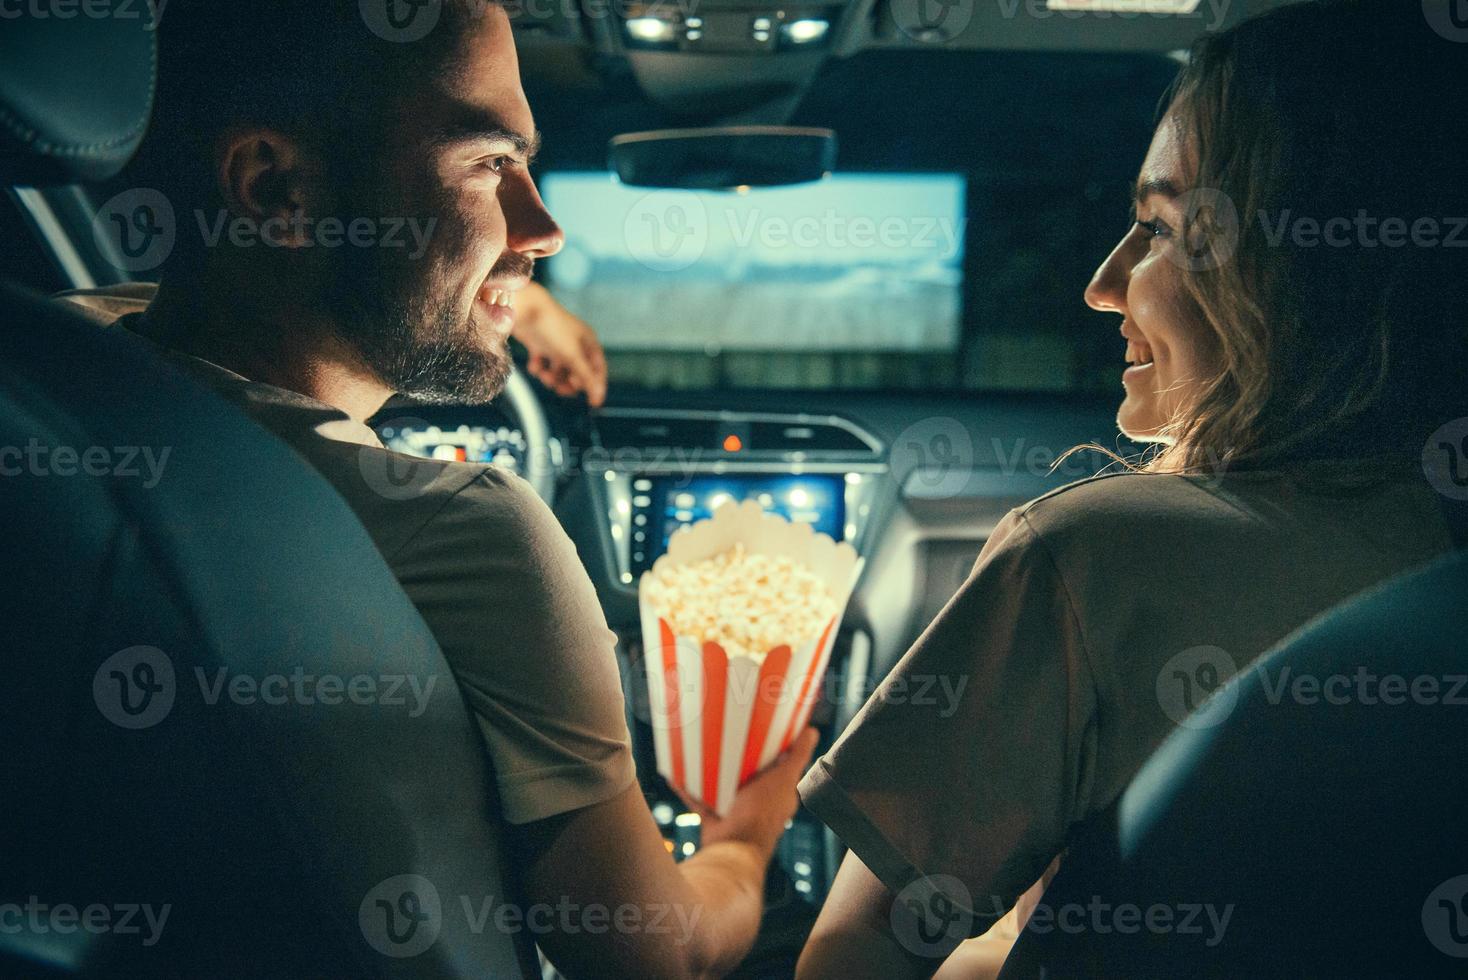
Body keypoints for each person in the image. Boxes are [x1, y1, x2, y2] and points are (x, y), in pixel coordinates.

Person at [101, 3, 816, 977]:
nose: (546, 229)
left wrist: (496, 288)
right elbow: (664, 956)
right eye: (489, 162)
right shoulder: (465, 530)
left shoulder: (56, 373)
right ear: (272, 185)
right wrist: (747, 835)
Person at [795, 2, 1468, 977]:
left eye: (1154, 227)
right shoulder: (1434, 565)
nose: (1104, 284)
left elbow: (852, 960)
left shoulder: (1088, 552)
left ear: (1286, 267)